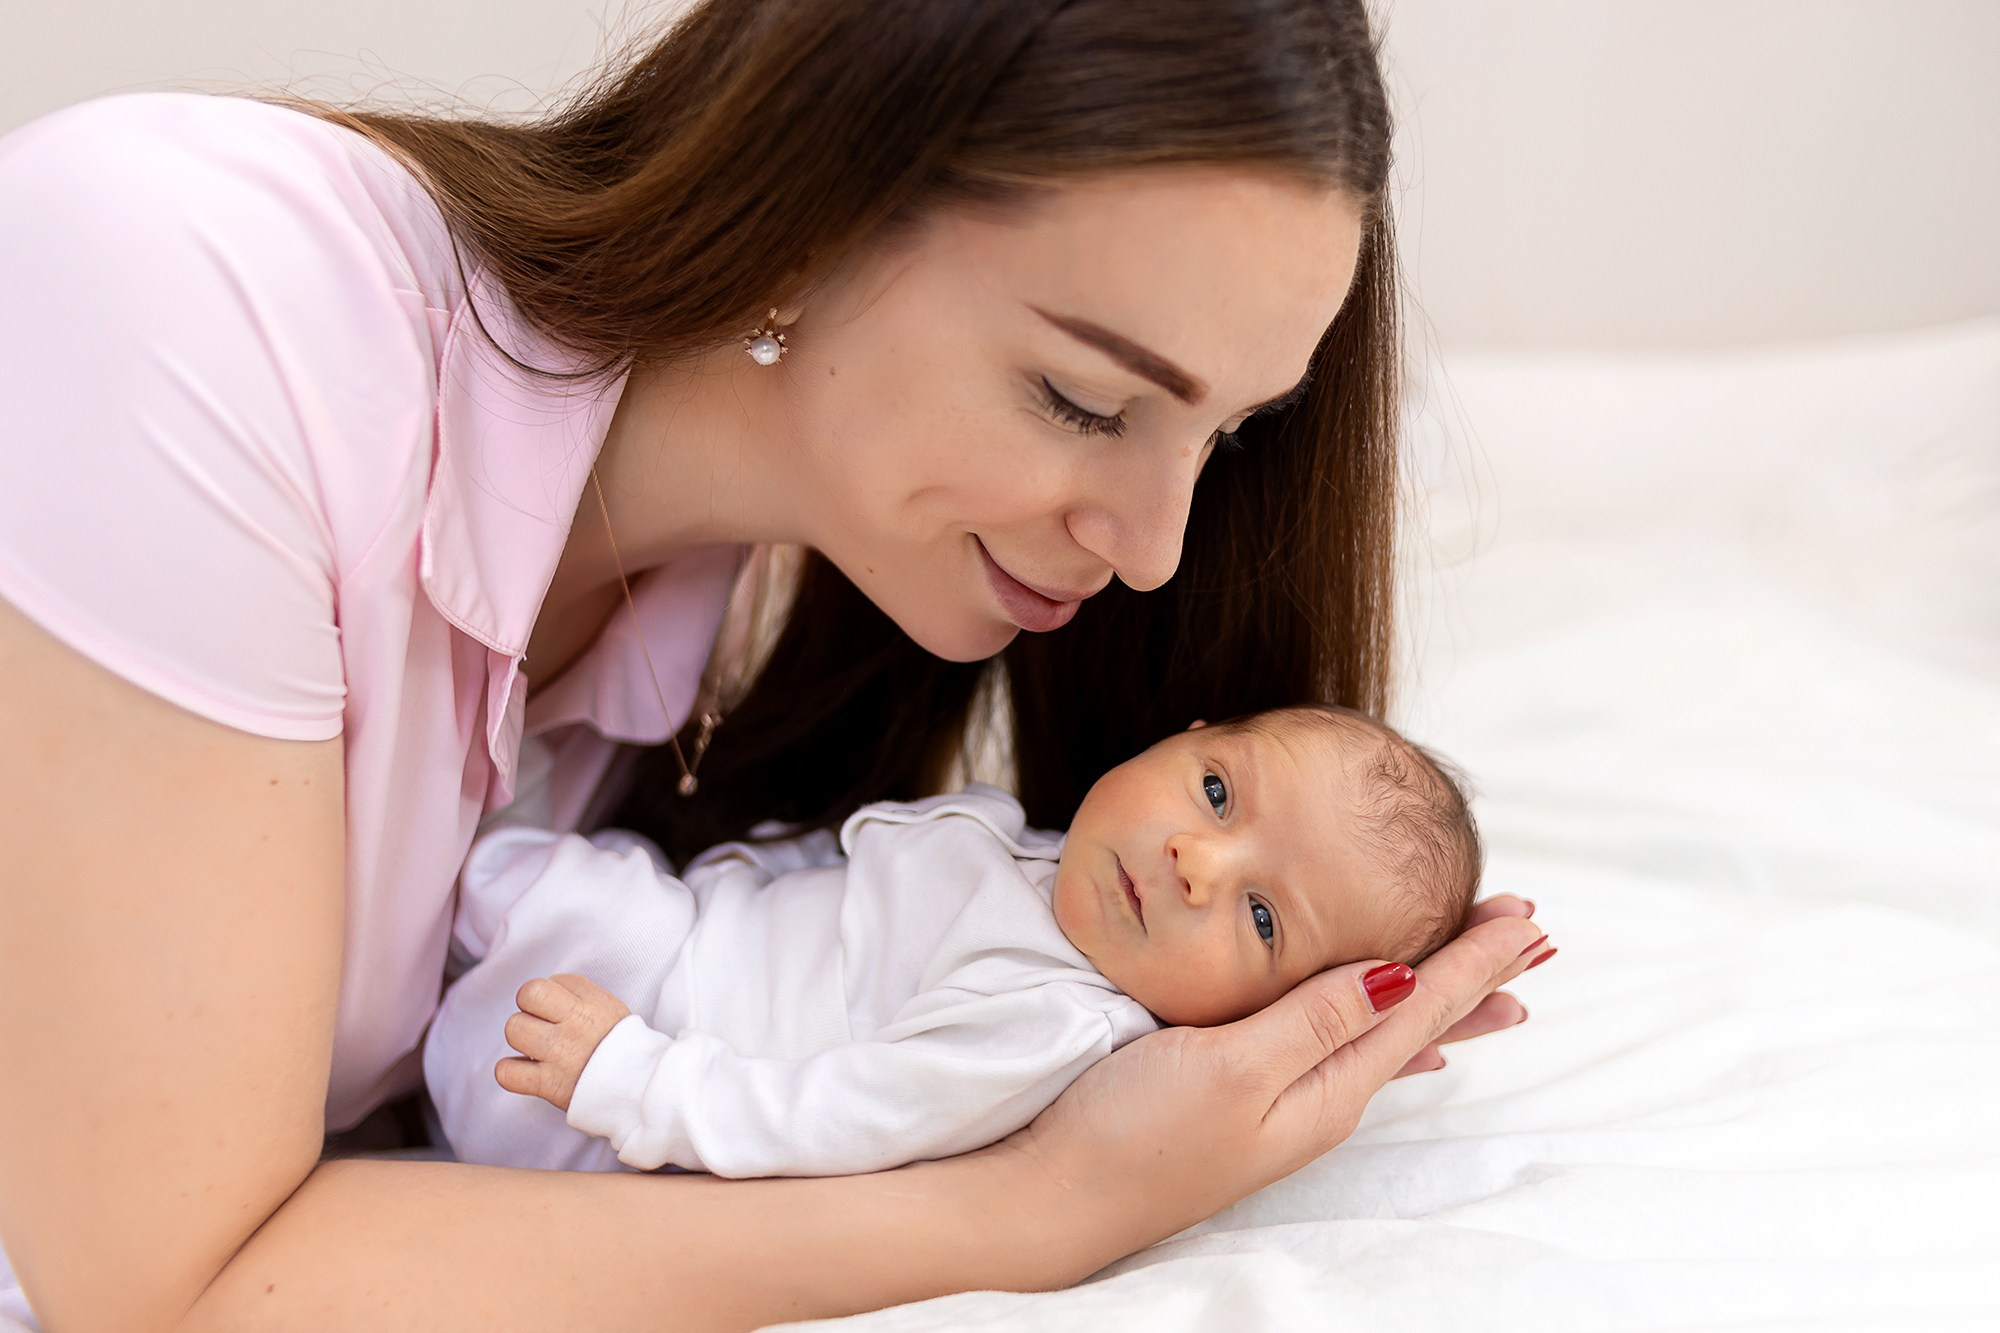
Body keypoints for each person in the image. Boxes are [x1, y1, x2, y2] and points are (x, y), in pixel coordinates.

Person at [0, 1, 1546, 1328]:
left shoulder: (757, 621)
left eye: (1229, 434)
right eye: (1085, 400)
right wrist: (1041, 1206)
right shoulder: (174, 292)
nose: (1157, 547)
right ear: (808, 217)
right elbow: (161, 1287)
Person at [430, 704, 1521, 1179]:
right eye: (1217, 790)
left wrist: (639, 1081)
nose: (1198, 859)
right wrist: (742, 872)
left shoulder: (1048, 1021)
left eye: (1263, 917)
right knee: (551, 843)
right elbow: (849, 881)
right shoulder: (1044, 855)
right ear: (1184, 736)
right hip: (661, 955)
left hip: (621, 1070)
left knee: (514, 865)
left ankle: (403, 885)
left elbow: (845, 1120)